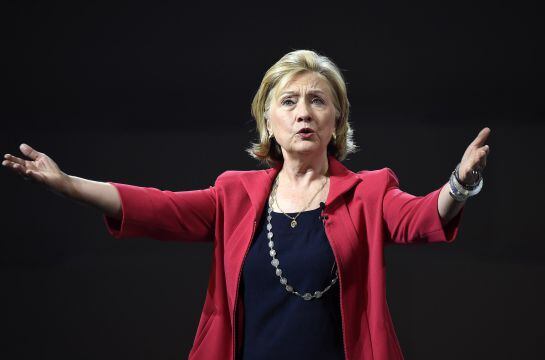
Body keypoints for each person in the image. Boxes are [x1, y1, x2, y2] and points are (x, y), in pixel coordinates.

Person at [2, 49, 490, 360]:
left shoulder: (369, 190)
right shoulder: (236, 194)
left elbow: (422, 216)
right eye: (290, 101)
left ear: (336, 121)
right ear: (268, 122)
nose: (304, 112)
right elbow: (158, 208)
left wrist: (460, 182)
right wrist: (68, 184)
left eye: (318, 101)